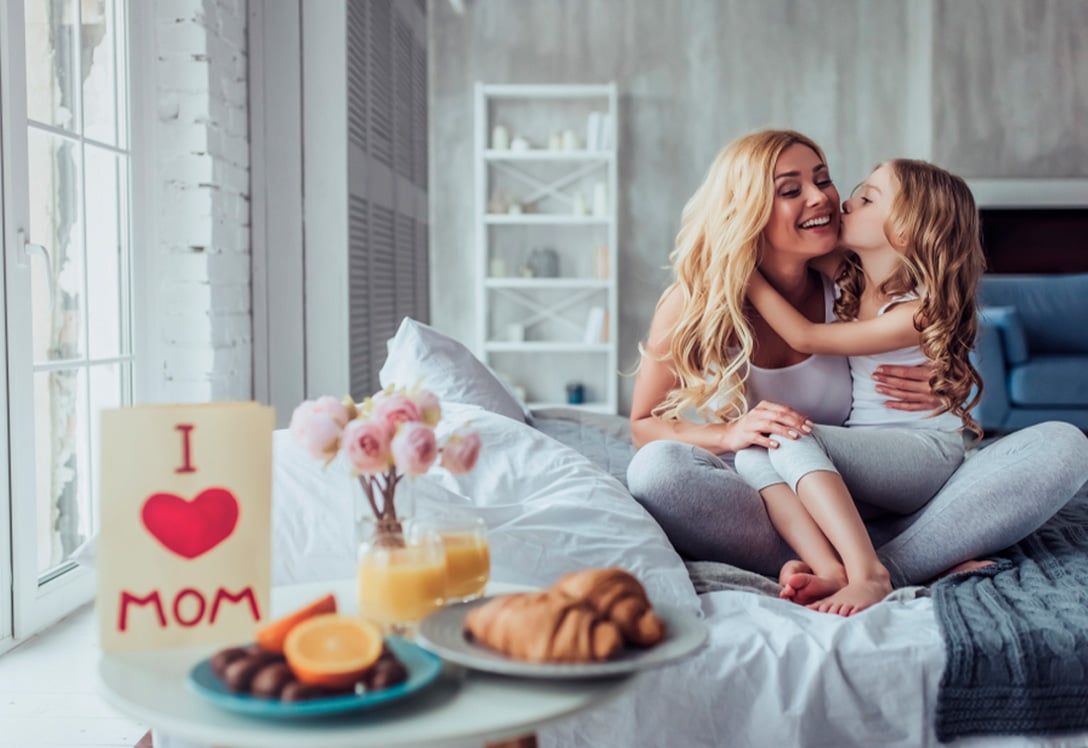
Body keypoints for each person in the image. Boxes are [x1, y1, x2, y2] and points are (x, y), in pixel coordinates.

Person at [626, 129, 1088, 604]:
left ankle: (872, 568)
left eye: (823, 179)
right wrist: (728, 434)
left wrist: (950, 389)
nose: (824, 198)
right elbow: (643, 425)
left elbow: (936, 334)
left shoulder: (852, 276)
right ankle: (879, 560)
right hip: (783, 499)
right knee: (656, 472)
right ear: (747, 210)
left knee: (1065, 445)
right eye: (790, 190)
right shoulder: (696, 303)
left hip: (876, 476)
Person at [733, 159, 984, 615]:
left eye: (867, 199)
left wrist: (745, 275)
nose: (845, 202)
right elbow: (783, 244)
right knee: (754, 448)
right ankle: (829, 567)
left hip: (920, 453)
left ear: (905, 233)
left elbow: (805, 336)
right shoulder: (853, 276)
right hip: (869, 457)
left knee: (790, 436)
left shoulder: (915, 311)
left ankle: (870, 574)